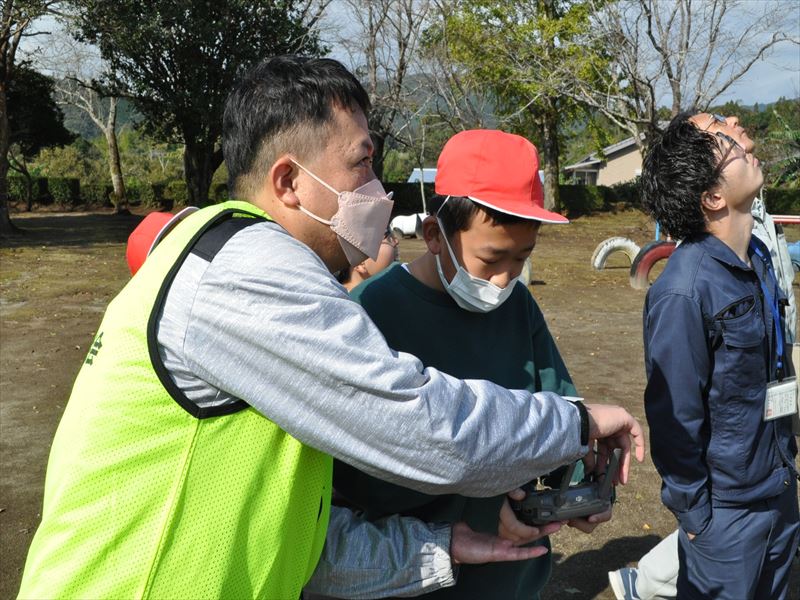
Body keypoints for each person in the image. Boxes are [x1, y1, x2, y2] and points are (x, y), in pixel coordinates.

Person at [16, 55, 644, 600]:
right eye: (361, 166)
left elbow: (301, 536)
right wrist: (575, 422)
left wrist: (442, 544)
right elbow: (421, 424)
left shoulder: (232, 261)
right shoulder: (248, 271)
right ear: (289, 182)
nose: (378, 192)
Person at [331, 129, 619, 600]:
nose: (505, 278)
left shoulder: (518, 307)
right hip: (411, 579)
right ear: (434, 235)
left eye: (522, 257)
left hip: (511, 579)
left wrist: (572, 491)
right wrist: (483, 499)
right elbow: (358, 475)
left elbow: (557, 410)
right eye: (490, 259)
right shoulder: (371, 315)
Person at [607, 113, 799, 600]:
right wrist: (697, 519)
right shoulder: (683, 292)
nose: (742, 143)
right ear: (713, 197)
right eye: (726, 145)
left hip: (777, 488)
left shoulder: (756, 257)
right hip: (726, 515)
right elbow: (675, 417)